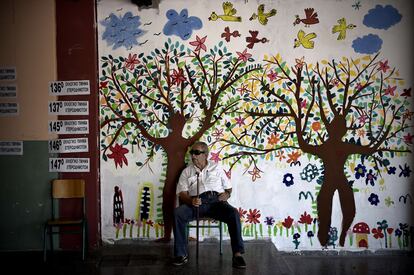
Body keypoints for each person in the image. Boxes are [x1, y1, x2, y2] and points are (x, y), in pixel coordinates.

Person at [172, 141, 246, 269]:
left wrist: (227, 194)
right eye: (192, 153)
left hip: (216, 202)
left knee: (233, 214)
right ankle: (181, 254)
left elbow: (229, 188)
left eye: (196, 152)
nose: (193, 156)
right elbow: (181, 193)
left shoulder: (216, 167)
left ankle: (238, 255)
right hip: (196, 203)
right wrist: (191, 200)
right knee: (178, 213)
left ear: (205, 154)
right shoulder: (187, 171)